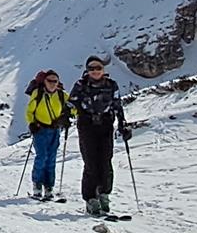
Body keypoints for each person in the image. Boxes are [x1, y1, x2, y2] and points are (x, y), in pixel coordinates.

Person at [69, 55, 130, 217]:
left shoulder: (111, 85)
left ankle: (104, 194)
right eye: (91, 68)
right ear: (87, 70)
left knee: (105, 161)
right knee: (90, 162)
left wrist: (122, 123)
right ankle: (90, 199)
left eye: (98, 68)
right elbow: (71, 103)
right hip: (86, 126)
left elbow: (117, 105)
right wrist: (65, 116)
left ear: (104, 69)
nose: (95, 71)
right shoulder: (81, 85)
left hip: (105, 125)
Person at [23, 69, 73, 199]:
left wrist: (68, 116)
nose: (52, 83)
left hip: (55, 130)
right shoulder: (38, 93)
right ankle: (38, 185)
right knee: (42, 156)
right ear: (44, 81)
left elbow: (73, 108)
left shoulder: (62, 95)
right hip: (40, 129)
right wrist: (32, 123)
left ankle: (48, 186)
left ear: (58, 82)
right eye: (49, 80)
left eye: (55, 81)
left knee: (51, 158)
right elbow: (30, 111)